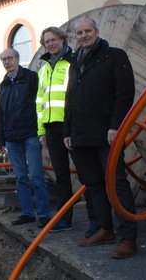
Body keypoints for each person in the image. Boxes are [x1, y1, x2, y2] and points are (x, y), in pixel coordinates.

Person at [64, 17, 137, 259]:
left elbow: (125, 94)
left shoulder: (114, 56)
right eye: (79, 33)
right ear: (75, 37)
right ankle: (105, 229)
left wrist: (115, 126)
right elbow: (70, 99)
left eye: (87, 31)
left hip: (107, 135)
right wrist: (67, 132)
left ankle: (128, 238)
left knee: (116, 184)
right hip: (81, 136)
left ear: (96, 31)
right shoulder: (76, 61)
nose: (83, 35)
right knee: (93, 185)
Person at [36, 27, 97, 235]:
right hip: (52, 128)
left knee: (85, 172)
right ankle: (65, 218)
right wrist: (41, 129)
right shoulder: (43, 67)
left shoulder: (74, 61)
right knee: (61, 176)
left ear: (63, 40)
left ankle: (95, 220)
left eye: (54, 39)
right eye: (46, 41)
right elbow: (40, 101)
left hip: (72, 125)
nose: (50, 43)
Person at [0, 48, 51, 228]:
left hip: (30, 135)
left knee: (36, 175)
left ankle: (43, 214)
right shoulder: (3, 85)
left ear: (18, 59)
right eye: (3, 59)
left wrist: (42, 130)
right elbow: (0, 113)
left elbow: (42, 104)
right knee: (20, 178)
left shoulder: (31, 78)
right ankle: (27, 213)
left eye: (10, 58)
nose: (7, 62)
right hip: (12, 138)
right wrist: (0, 140)